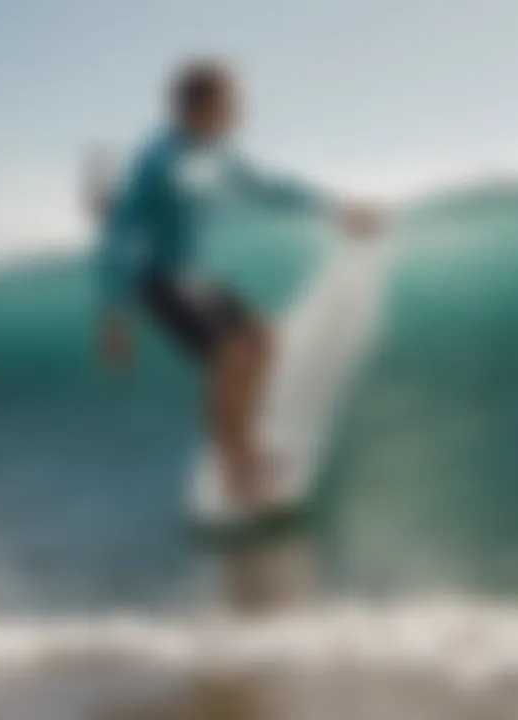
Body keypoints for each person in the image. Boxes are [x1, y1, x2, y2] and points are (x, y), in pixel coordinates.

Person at [97, 59, 378, 506]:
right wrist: (114, 312)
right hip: (157, 279)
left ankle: (246, 448)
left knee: (263, 340)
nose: (239, 111)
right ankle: (234, 471)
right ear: (200, 106)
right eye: (230, 102)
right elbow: (122, 235)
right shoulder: (157, 160)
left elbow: (270, 188)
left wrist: (335, 208)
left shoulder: (216, 154)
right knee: (228, 355)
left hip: (193, 276)